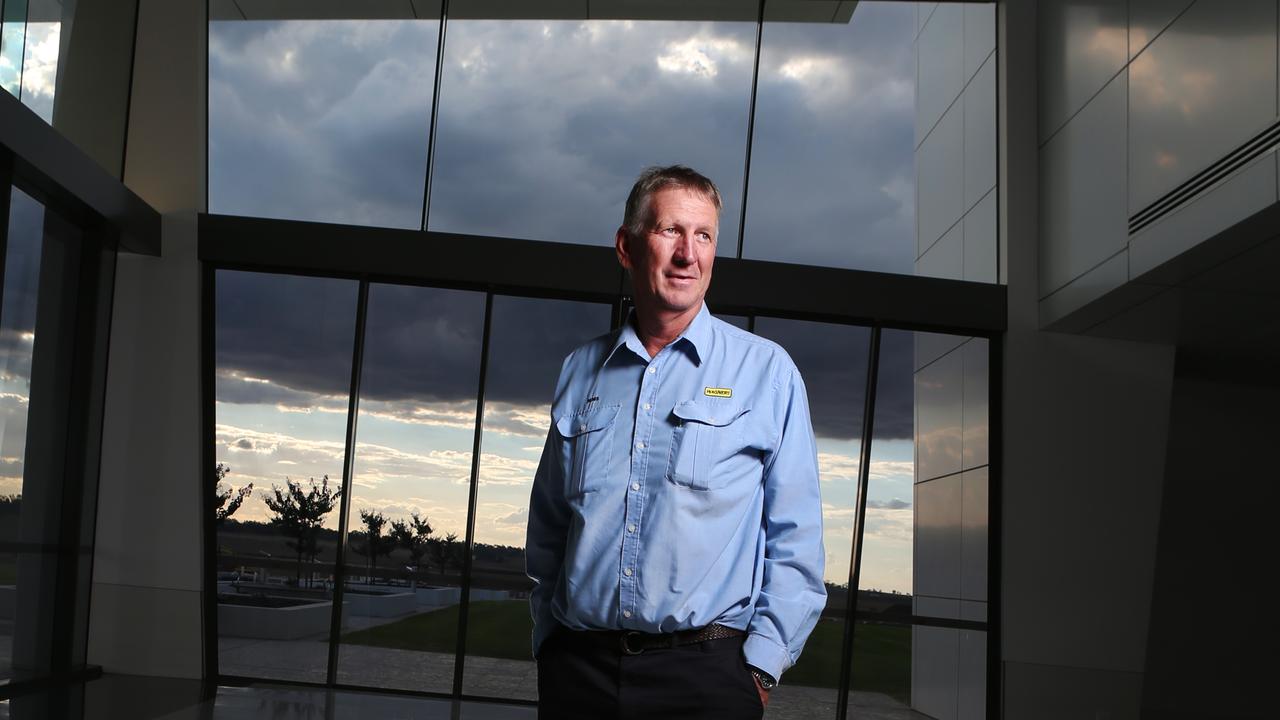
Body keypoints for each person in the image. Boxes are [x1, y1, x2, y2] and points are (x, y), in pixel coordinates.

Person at [525, 165, 826, 719]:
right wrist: (550, 639)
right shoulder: (579, 370)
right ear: (627, 246)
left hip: (705, 681)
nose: (689, 253)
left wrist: (759, 669)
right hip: (578, 675)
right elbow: (549, 523)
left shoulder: (768, 372)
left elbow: (796, 540)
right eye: (670, 231)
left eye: (704, 235)